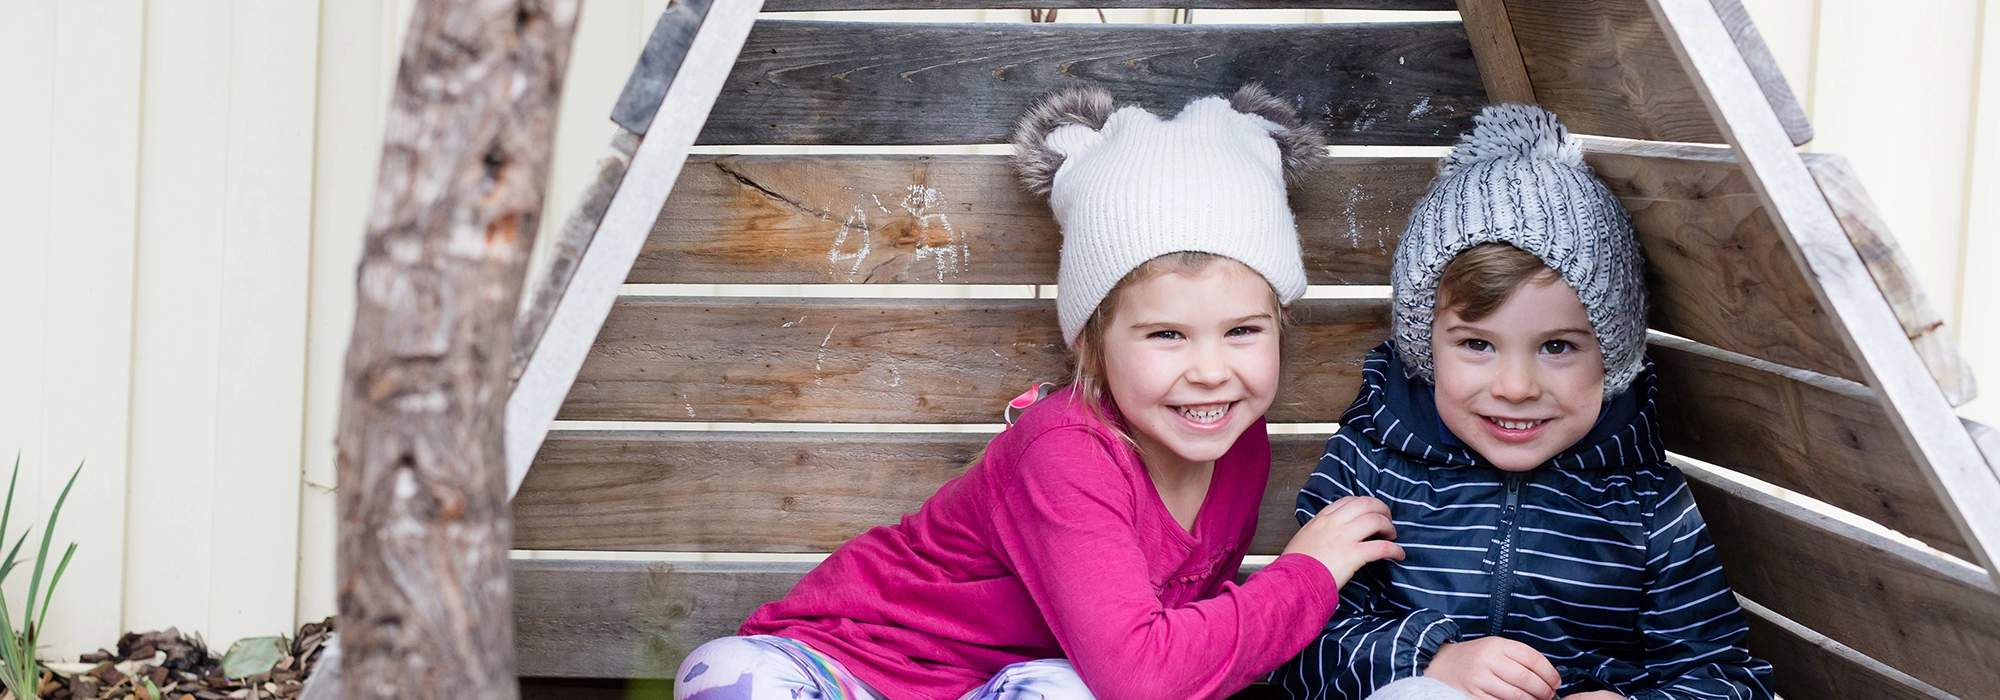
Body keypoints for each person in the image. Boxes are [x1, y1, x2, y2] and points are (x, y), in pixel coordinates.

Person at [673, 85, 1405, 700]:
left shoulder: (1236, 442)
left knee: (1065, 691)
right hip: (858, 669)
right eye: (1166, 336)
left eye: (1242, 331)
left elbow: (1171, 656)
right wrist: (1306, 576)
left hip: (1013, 685)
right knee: (730, 677)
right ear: (1090, 344)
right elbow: (1142, 672)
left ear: (1280, 325)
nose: (1211, 370)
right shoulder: (1067, 453)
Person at [1271, 105, 1774, 700]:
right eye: (1478, 344)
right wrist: (1432, 662)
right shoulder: (1371, 469)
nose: (1515, 387)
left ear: (1610, 354)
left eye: (1557, 346)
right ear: (1426, 347)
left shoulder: (1646, 508)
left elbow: (1727, 677)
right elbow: (1294, 649)